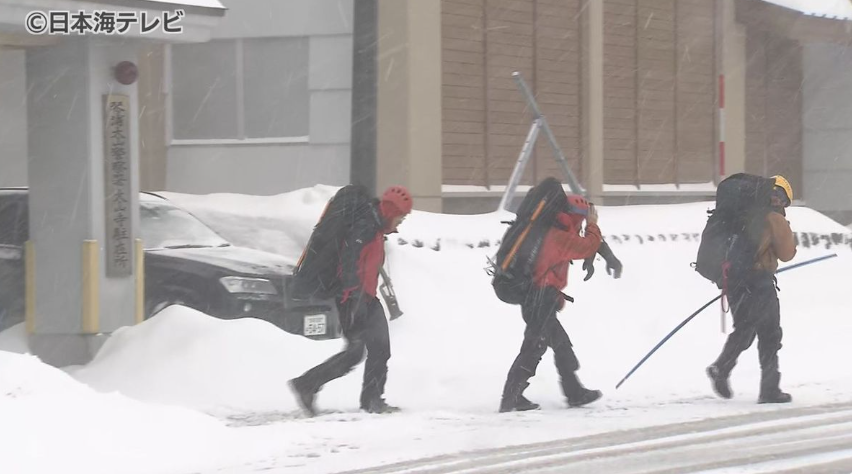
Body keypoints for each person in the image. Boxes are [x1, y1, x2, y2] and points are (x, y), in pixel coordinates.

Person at [289, 185, 413, 416]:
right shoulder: (365, 226)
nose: (401, 222)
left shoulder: (376, 226)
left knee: (380, 348)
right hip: (352, 298)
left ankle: (372, 401)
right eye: (401, 217)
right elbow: (349, 261)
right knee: (355, 352)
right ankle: (306, 384)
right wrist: (353, 297)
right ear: (390, 210)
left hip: (367, 298)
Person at [499, 194, 605, 413]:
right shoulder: (558, 237)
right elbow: (588, 246)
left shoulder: (549, 231)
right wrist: (593, 225)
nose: (582, 223)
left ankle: (574, 392)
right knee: (534, 348)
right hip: (540, 299)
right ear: (575, 217)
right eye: (582, 218)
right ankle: (511, 398)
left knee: (560, 345)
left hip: (538, 297)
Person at [706, 175, 797, 404]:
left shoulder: (741, 212)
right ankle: (769, 389)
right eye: (782, 199)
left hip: (734, 280)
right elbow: (787, 253)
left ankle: (722, 367)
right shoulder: (774, 217)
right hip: (759, 282)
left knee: (745, 328)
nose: (780, 202)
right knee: (770, 334)